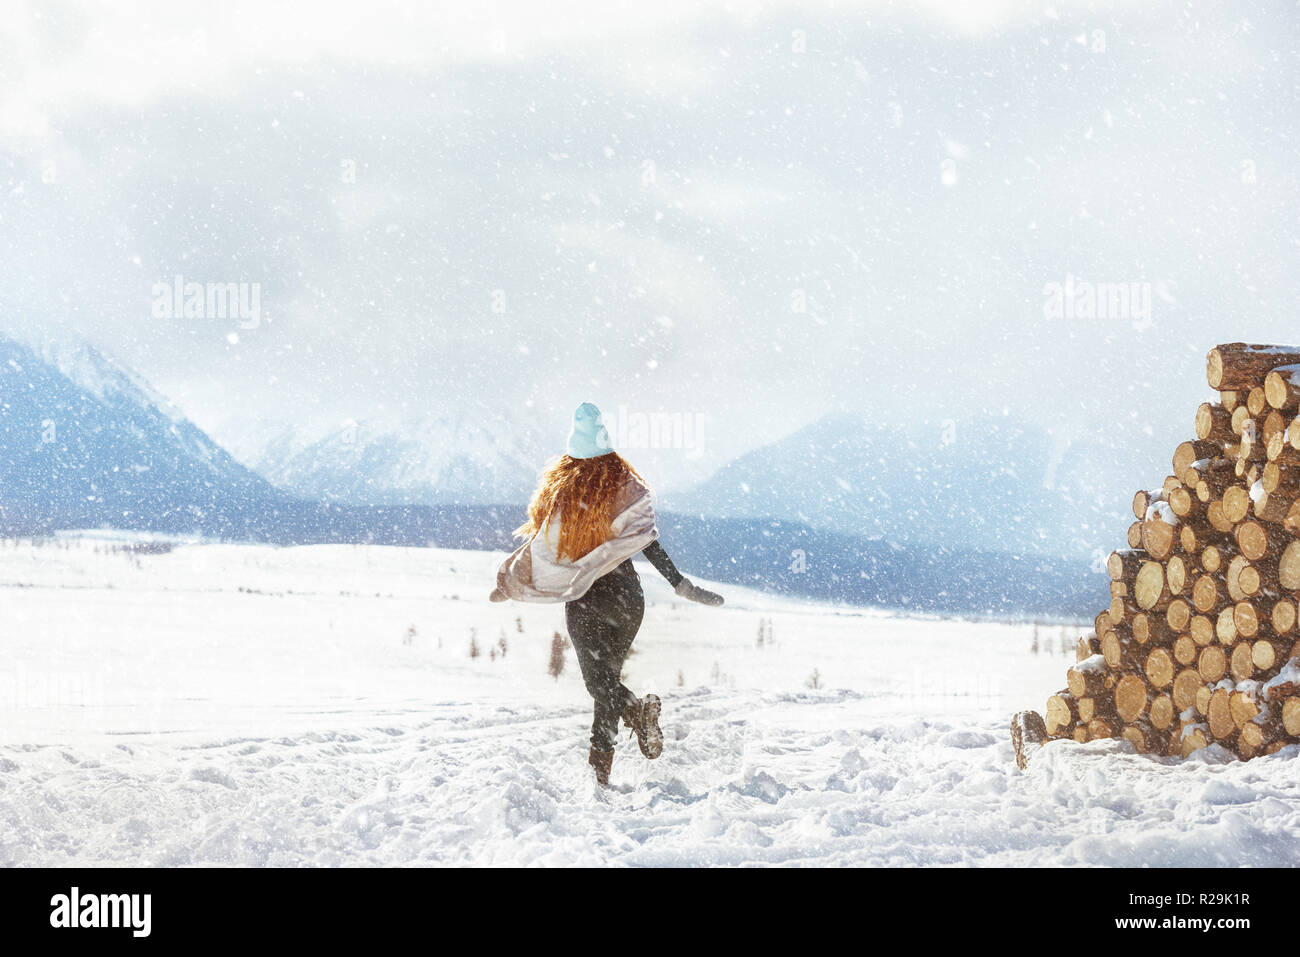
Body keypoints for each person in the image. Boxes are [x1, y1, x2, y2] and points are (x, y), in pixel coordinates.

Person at [490, 401, 724, 787]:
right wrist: (680, 584)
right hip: (627, 599)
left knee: (599, 685)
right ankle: (602, 778)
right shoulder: (624, 487)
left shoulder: (563, 493)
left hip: (586, 599)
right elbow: (647, 541)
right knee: (605, 684)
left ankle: (632, 720)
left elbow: (540, 545)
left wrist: (509, 582)